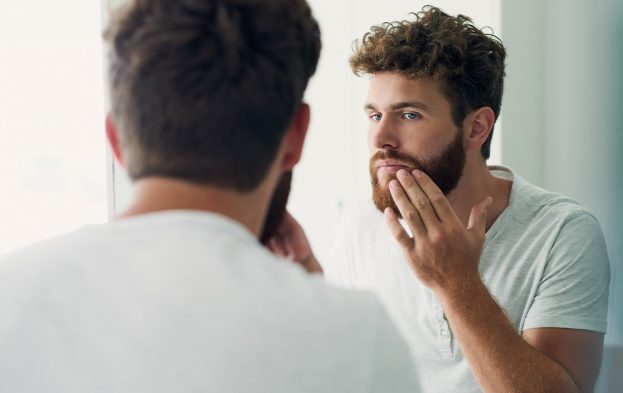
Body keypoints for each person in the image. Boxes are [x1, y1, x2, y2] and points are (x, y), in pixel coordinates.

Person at [0, 1, 420, 392]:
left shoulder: (11, 295)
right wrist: (315, 299)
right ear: (296, 136)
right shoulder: (359, 339)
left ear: (115, 138)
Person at [316, 6, 610, 393]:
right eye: (374, 116)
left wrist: (456, 281)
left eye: (408, 115)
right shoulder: (362, 222)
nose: (380, 139)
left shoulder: (561, 233)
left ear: (476, 128)